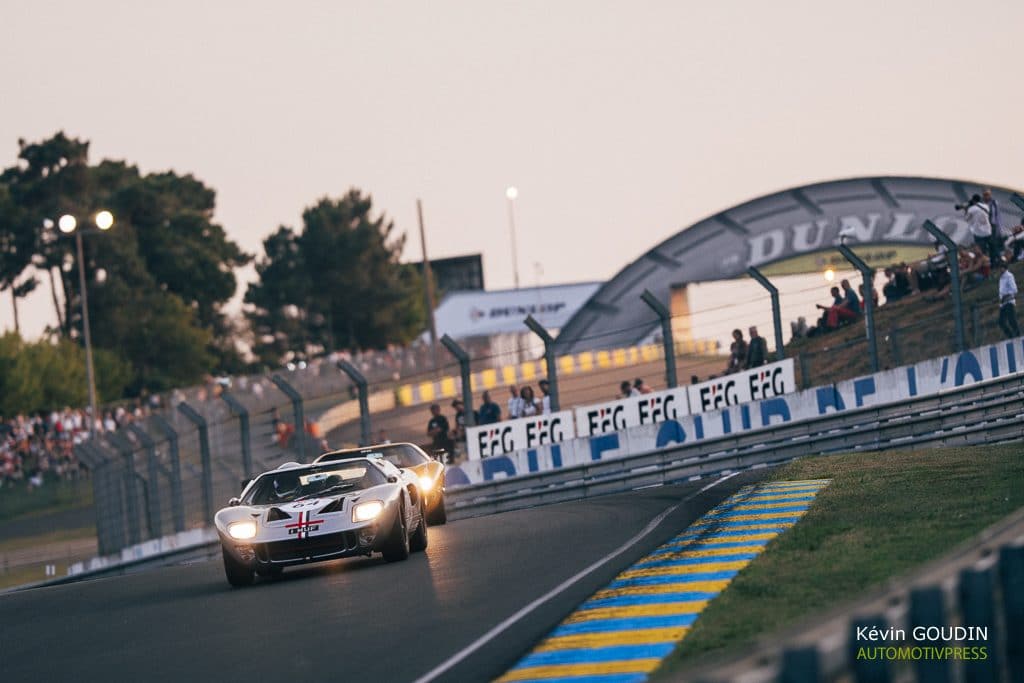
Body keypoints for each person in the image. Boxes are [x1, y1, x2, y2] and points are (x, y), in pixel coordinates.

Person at [997, 262, 1019, 339]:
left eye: (1001, 267)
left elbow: (1014, 289)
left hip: (1009, 301)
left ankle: (1017, 335)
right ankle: (1011, 336)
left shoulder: (1009, 276)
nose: (999, 269)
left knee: (1011, 320)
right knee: (1001, 322)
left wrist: (1007, 296)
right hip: (1003, 303)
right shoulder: (1001, 277)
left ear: (1004, 267)